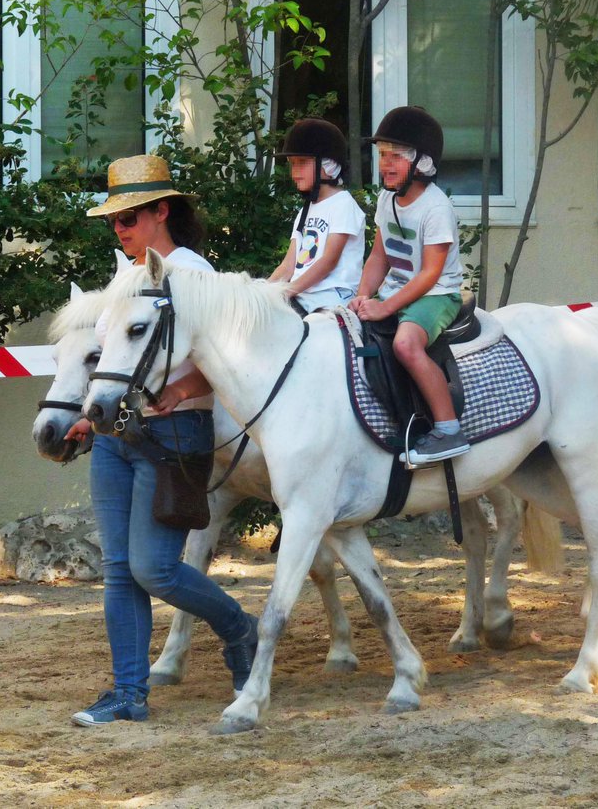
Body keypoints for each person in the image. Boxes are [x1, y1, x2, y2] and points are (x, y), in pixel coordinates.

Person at [63, 155, 257, 726]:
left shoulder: (192, 271)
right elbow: (115, 360)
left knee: (155, 569)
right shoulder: (128, 273)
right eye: (114, 221)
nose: (119, 229)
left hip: (175, 431)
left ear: (160, 211)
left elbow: (229, 354)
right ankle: (128, 693)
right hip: (118, 432)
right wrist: (87, 414)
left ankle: (238, 627)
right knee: (121, 569)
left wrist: (185, 388)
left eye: (129, 218)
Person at [348, 107, 469, 465]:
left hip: (435, 295)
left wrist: (385, 307)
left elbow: (430, 274)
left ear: (424, 162)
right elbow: (378, 257)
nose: (385, 164)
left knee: (405, 344)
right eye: (382, 155)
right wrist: (362, 295)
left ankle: (448, 429)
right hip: (398, 289)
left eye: (396, 156)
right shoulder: (387, 200)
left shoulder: (436, 208)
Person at [268, 118, 366, 314]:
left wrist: (287, 291)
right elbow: (288, 265)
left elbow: (328, 261)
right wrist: (261, 291)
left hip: (334, 296)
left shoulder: (343, 204)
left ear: (329, 166)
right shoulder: (305, 210)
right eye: (292, 164)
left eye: (302, 163)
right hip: (303, 294)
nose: (294, 171)